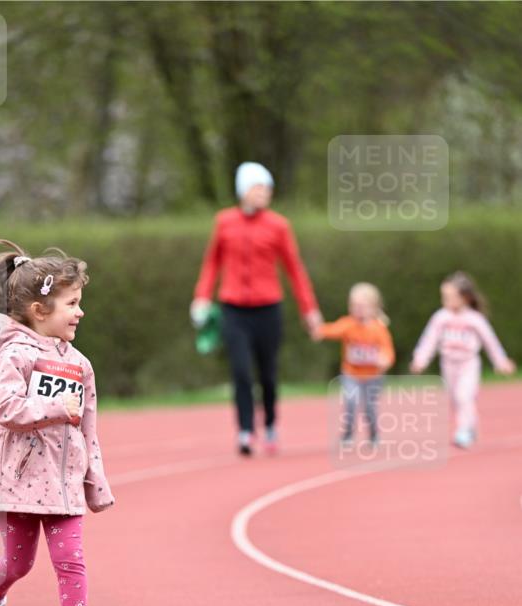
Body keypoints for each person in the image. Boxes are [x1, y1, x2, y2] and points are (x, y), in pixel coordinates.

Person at [0, 239, 114, 606]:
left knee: (71, 560)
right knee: (19, 564)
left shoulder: (80, 365)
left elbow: (89, 428)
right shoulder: (15, 355)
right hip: (19, 477)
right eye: (72, 303)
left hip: (65, 480)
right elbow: (5, 408)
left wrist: (95, 481)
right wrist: (53, 407)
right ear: (39, 310)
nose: (80, 312)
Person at [191, 162, 322, 456]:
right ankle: (246, 430)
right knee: (240, 371)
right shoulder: (224, 222)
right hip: (233, 309)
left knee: (268, 374)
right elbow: (212, 263)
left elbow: (294, 270)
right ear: (243, 190)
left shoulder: (278, 225)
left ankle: (271, 423)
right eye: (258, 186)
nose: (264, 193)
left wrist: (309, 310)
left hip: (268, 309)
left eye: (267, 188)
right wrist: (202, 297)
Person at [410, 271, 516, 448]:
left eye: (450, 297)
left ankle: (463, 430)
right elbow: (429, 339)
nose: (446, 301)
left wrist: (501, 361)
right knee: (454, 399)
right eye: (444, 297)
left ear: (465, 297)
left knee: (464, 396)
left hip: (468, 364)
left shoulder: (474, 319)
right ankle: (470, 425)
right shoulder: (441, 317)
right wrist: (420, 359)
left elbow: (490, 341)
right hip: (448, 364)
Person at [312, 283, 395, 445]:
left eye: (362, 306)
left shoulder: (379, 329)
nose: (358, 310)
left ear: (373, 307)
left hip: (373, 376)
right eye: (354, 306)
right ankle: (347, 434)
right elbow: (333, 329)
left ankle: (373, 435)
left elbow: (388, 351)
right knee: (351, 402)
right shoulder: (348, 324)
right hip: (351, 373)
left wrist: (385, 360)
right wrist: (319, 331)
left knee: (369, 408)